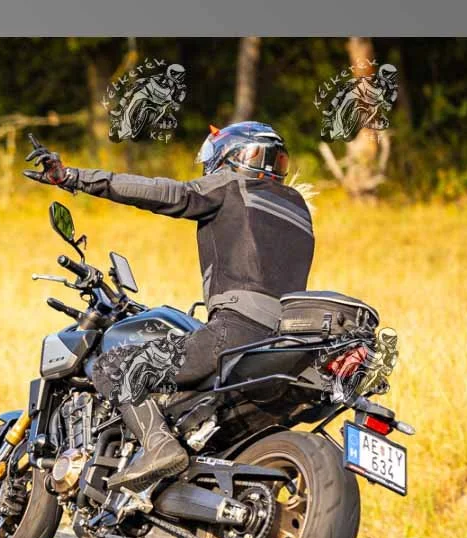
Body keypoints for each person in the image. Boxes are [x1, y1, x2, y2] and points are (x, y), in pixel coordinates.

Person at [24, 122, 314, 491]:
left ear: (229, 157)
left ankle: (159, 445)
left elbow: (161, 192)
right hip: (280, 343)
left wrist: (72, 177)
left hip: (235, 332)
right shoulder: (298, 208)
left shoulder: (233, 186)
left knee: (116, 366)